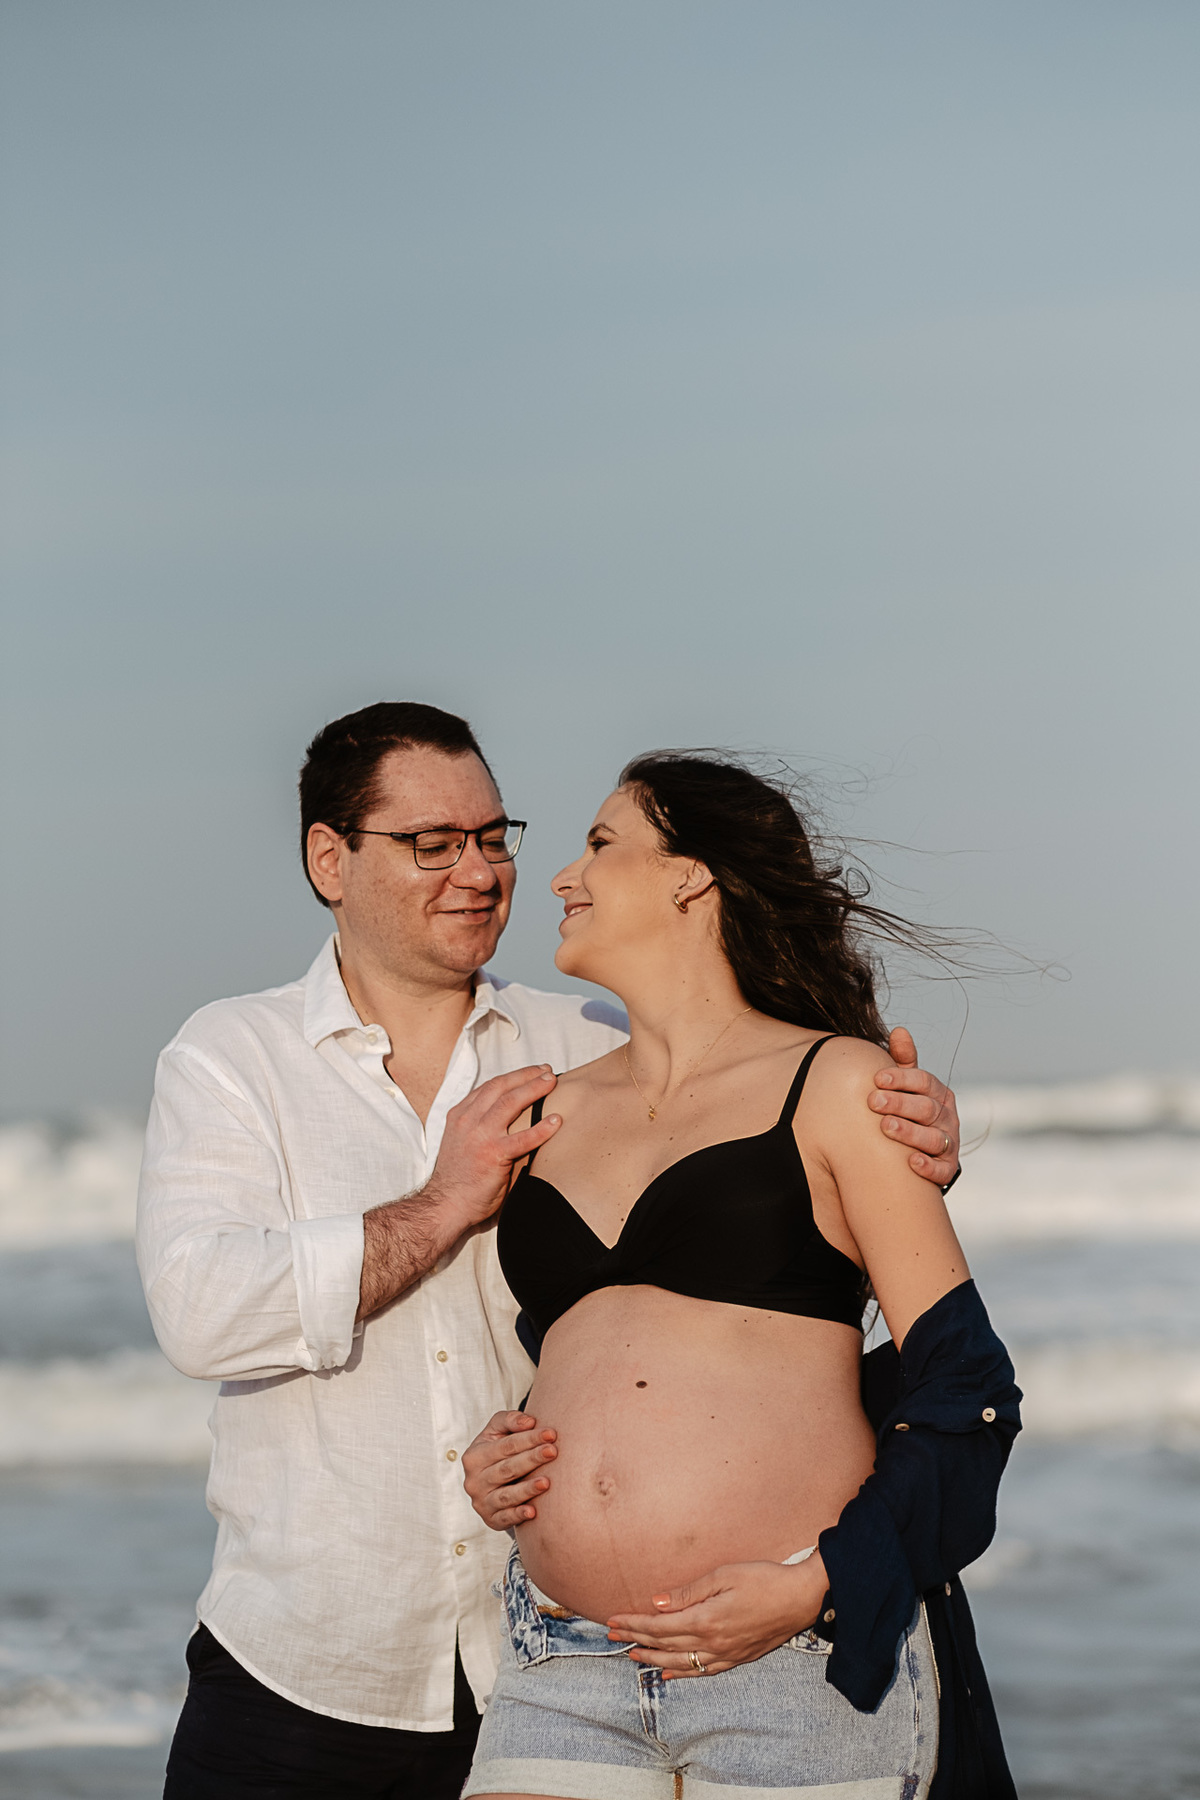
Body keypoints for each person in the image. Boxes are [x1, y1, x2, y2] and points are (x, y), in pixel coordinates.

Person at [136, 703, 964, 1800]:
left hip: (544, 1651)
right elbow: (201, 1312)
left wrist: (915, 1134)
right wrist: (443, 1204)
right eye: (434, 843)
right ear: (330, 860)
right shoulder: (233, 1059)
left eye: (494, 837)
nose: (481, 873)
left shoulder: (592, 1042)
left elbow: (756, 1225)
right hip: (311, 1657)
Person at [460, 752, 1019, 1800]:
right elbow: (610, 1358)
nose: (562, 877)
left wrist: (821, 1583)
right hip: (561, 1659)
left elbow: (967, 1385)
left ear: (691, 877)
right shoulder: (547, 1112)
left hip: (793, 1662)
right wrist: (506, 1448)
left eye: (601, 844)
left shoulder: (839, 1085)